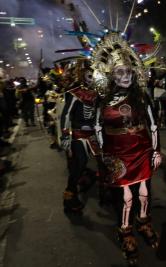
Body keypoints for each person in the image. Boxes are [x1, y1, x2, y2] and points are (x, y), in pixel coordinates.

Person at [92, 32, 161, 266]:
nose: (125, 76)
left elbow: (152, 125)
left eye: (128, 71)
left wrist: (156, 151)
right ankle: (125, 231)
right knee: (125, 196)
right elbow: (98, 127)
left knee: (144, 192)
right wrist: (103, 154)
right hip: (117, 155)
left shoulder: (142, 97)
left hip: (141, 152)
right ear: (111, 74)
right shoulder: (102, 100)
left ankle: (144, 222)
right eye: (120, 72)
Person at [59, 59, 100, 212]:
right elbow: (66, 115)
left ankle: (104, 188)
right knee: (80, 162)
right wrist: (64, 136)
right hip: (79, 133)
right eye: (90, 75)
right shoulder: (75, 93)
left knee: (104, 160)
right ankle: (69, 195)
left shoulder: (98, 94)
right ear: (83, 76)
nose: (92, 78)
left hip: (94, 134)